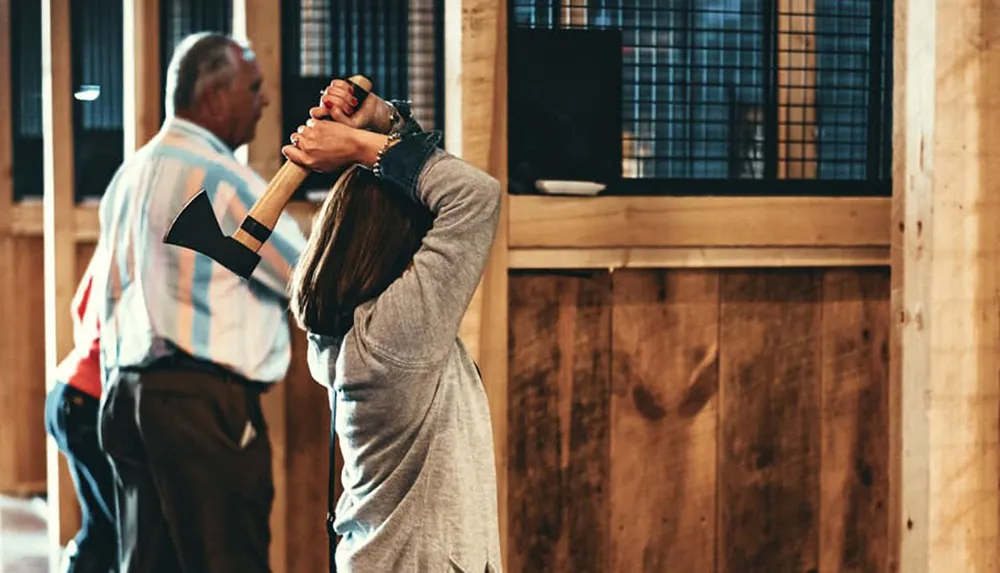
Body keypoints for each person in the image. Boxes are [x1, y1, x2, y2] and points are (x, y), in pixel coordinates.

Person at [94, 32, 307, 573]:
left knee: (148, 565)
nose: (264, 101)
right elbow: (306, 278)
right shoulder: (219, 178)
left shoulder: (129, 174)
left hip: (125, 395)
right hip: (199, 405)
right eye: (254, 88)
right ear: (215, 97)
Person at [282, 80, 504, 572]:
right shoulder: (393, 339)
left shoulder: (355, 333)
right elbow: (474, 196)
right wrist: (362, 148)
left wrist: (382, 123)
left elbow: (428, 176)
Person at [44, 248, 117, 573]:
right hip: (90, 400)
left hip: (65, 391)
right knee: (123, 531)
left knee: (101, 528)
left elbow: (79, 306)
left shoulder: (112, 242)